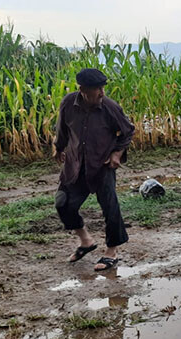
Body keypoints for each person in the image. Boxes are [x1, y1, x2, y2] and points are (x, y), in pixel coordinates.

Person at [53, 68, 135, 271]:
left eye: (103, 87)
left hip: (102, 165)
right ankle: (86, 241)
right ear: (83, 89)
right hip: (75, 163)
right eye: (97, 88)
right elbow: (62, 129)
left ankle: (111, 252)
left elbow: (127, 131)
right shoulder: (68, 104)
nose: (102, 92)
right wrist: (59, 148)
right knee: (63, 203)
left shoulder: (109, 107)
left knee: (110, 207)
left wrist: (116, 154)